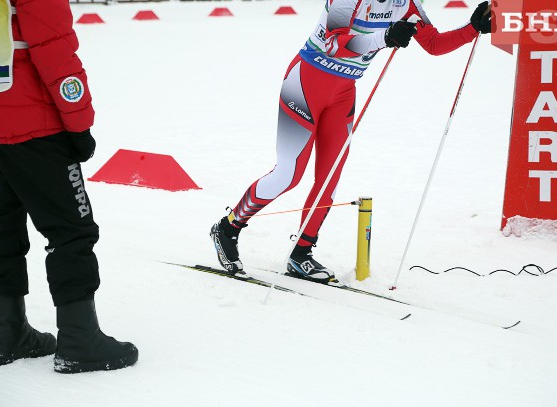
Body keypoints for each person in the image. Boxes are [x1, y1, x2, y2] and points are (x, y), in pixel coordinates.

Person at [211, 0, 492, 285]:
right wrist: (385, 36)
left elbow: (433, 44)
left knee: (329, 179)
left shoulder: (405, 3)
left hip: (343, 92)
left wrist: (474, 28)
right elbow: (334, 43)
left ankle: (301, 253)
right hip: (305, 83)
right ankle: (228, 227)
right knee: (288, 175)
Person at [0, 0, 138, 373]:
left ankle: (6, 332)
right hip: (34, 125)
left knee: (1, 220)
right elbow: (55, 52)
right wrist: (79, 125)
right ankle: (80, 338)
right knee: (71, 230)